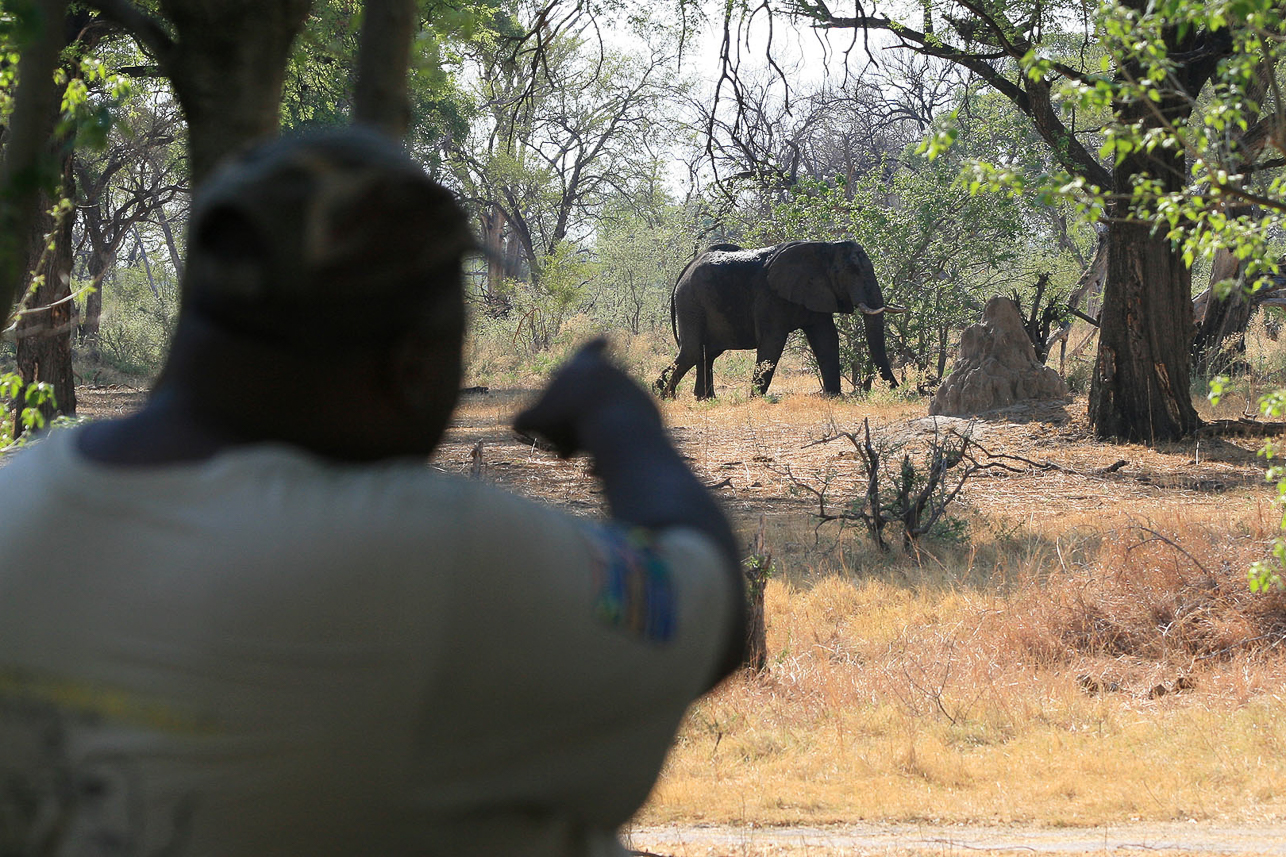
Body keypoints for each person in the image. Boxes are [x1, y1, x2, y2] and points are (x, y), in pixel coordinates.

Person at [0, 128, 744, 856]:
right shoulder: (426, 550)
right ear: (412, 365)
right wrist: (620, 418)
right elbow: (710, 618)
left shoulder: (16, 497)